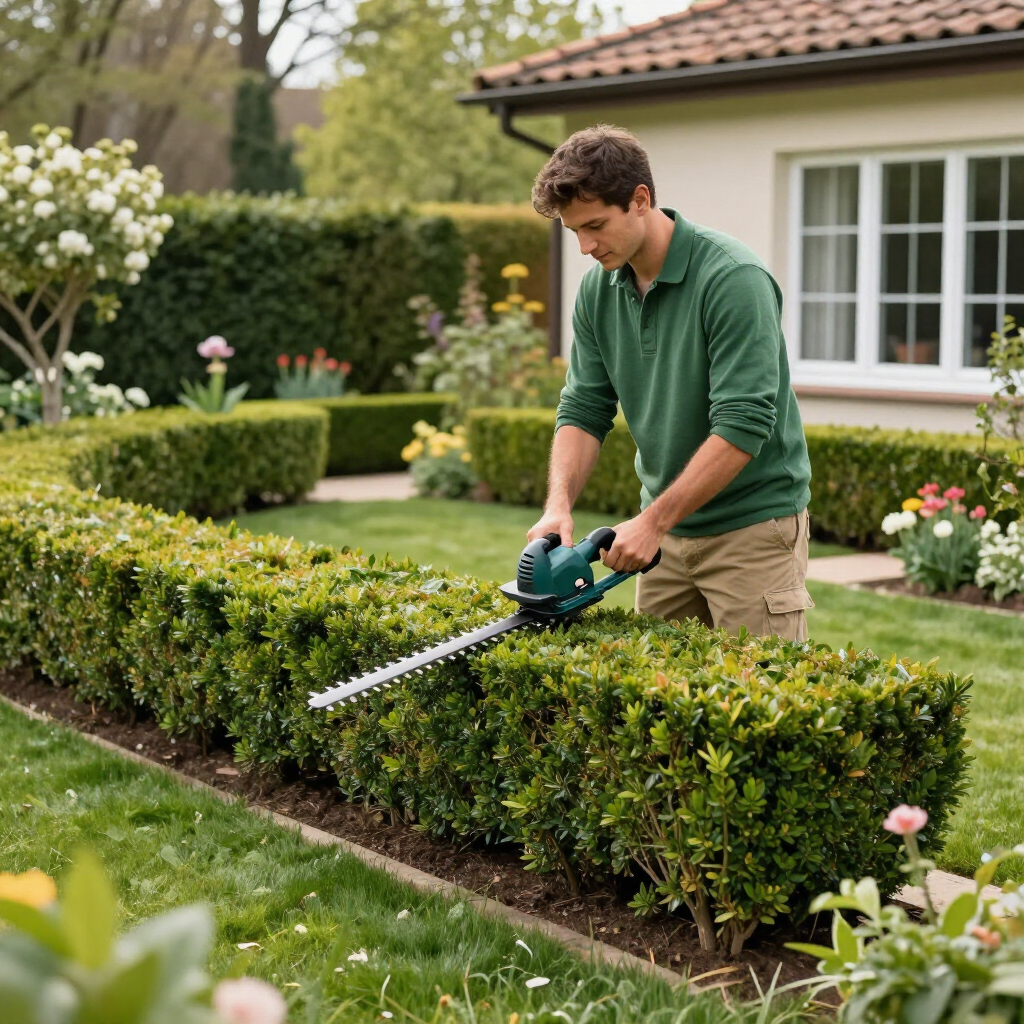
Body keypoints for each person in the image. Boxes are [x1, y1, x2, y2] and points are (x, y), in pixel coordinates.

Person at [527, 125, 814, 640]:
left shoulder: (733, 279)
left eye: (595, 225)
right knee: (660, 706)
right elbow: (583, 408)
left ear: (641, 200)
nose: (585, 246)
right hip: (665, 536)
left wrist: (653, 523)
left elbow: (743, 424)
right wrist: (558, 506)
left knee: (761, 702)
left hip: (752, 532)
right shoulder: (597, 290)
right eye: (574, 232)